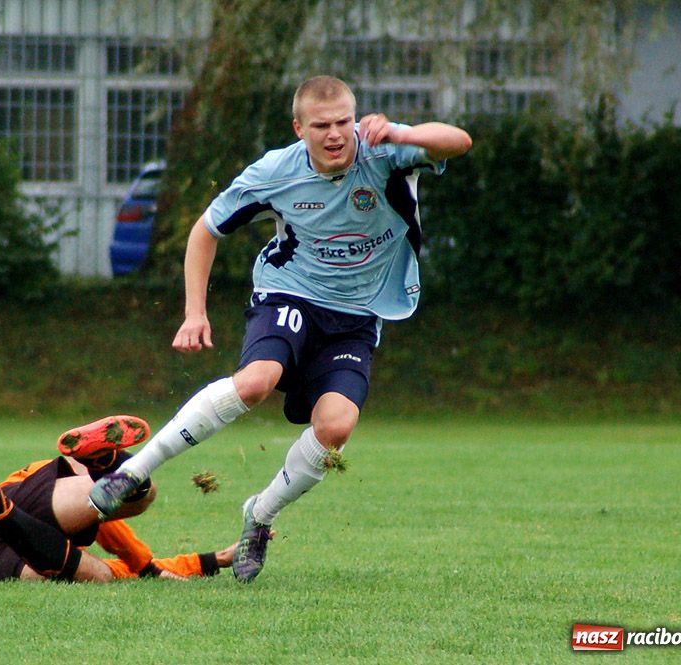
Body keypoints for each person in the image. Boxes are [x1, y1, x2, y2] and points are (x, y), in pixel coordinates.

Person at [88, 75, 473, 582]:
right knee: (255, 382)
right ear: (299, 128)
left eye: (343, 123)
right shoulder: (274, 172)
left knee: (336, 427)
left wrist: (406, 132)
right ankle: (133, 471)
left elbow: (459, 141)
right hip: (289, 294)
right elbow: (206, 230)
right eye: (321, 126)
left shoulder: (384, 150)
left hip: (357, 316)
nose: (336, 135)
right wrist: (194, 312)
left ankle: (259, 517)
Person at [0, 415, 236, 582]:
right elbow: (106, 525)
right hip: (4, 544)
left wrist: (215, 560)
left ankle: (105, 463)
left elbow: (103, 513)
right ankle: (105, 464)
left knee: (144, 494)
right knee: (100, 574)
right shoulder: (85, 522)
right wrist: (148, 566)